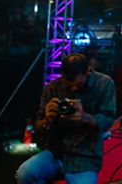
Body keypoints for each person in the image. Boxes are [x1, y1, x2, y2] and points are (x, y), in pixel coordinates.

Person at [15, 53, 116, 184]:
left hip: (85, 156)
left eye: (78, 85)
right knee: (25, 174)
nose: (73, 89)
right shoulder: (53, 88)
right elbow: (39, 127)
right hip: (56, 152)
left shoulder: (103, 84)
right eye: (69, 85)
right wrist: (48, 119)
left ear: (88, 71)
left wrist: (86, 118)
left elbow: (109, 118)